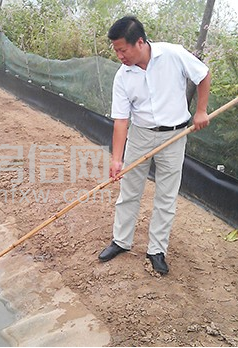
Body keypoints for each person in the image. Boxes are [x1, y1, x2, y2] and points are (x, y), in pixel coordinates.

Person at [98, 16, 211, 275]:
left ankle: (156, 250)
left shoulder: (173, 55)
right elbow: (121, 120)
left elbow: (203, 75)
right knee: (129, 191)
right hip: (140, 136)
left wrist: (201, 111)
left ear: (139, 42)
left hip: (173, 136)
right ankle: (121, 241)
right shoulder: (123, 76)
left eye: (122, 49)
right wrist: (117, 159)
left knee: (166, 196)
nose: (119, 56)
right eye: (115, 50)